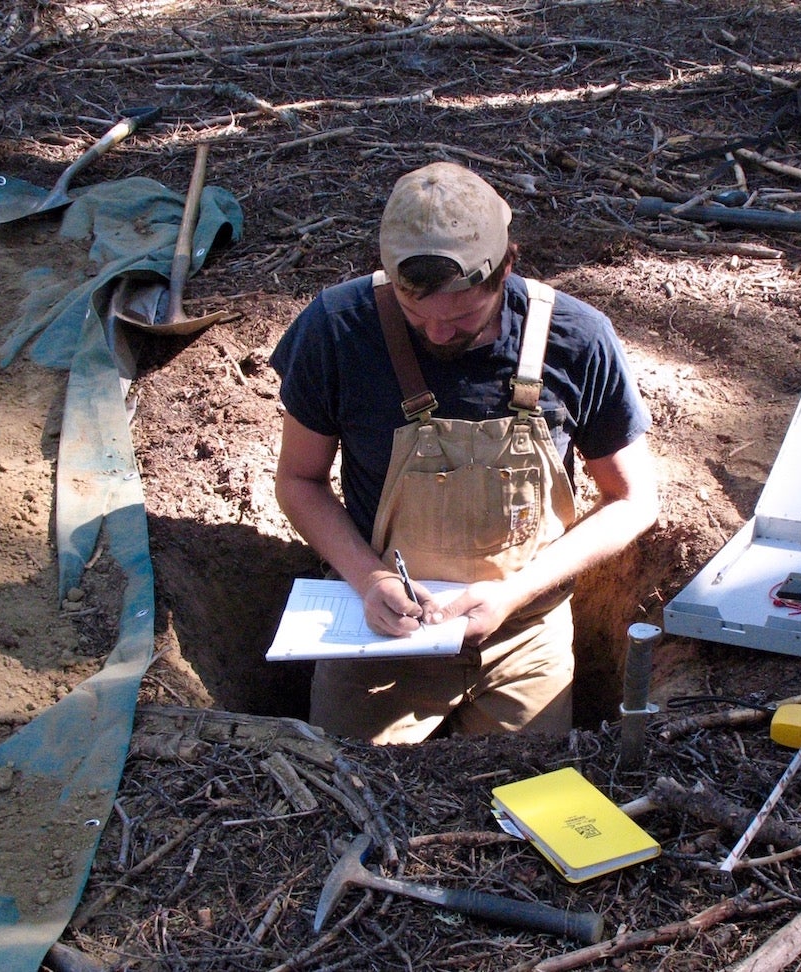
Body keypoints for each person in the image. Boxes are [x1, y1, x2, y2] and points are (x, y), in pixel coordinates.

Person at [270, 161, 659, 744]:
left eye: (462, 318)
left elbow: (633, 499)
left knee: (526, 797)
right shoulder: (336, 330)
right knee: (353, 790)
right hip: (381, 633)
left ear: (507, 267)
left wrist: (513, 595)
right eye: (415, 316)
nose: (438, 335)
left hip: (523, 630)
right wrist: (369, 579)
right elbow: (299, 481)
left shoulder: (576, 338)